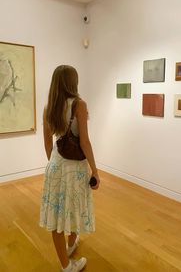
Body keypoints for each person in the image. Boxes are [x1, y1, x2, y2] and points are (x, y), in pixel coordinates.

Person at [39, 65, 100, 272]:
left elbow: (48, 143)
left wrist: (55, 165)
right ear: (73, 82)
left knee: (57, 215)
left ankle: (68, 252)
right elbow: (85, 142)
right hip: (75, 169)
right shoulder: (79, 105)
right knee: (73, 207)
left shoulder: (49, 107)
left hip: (55, 165)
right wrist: (96, 171)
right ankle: (68, 264)